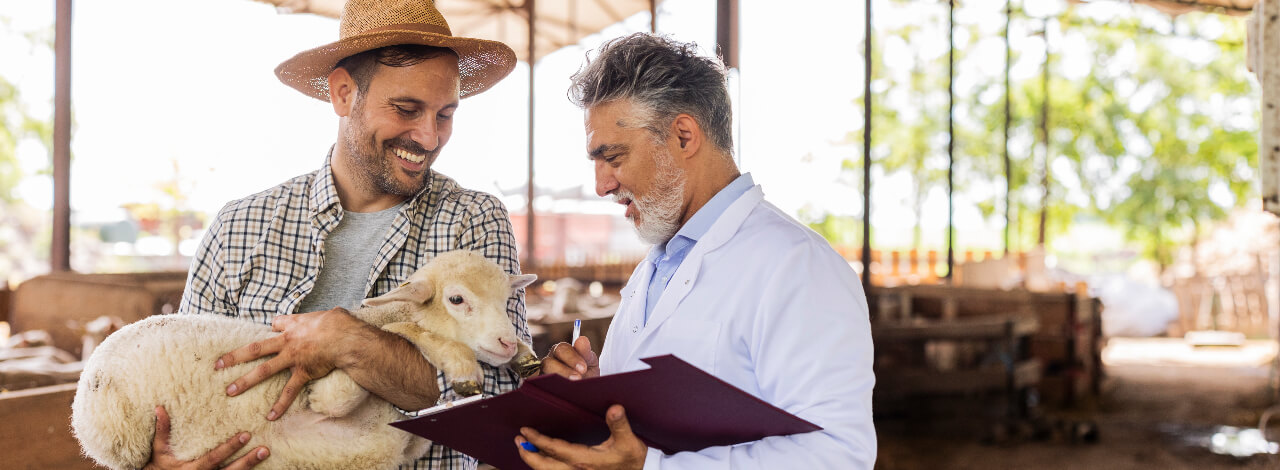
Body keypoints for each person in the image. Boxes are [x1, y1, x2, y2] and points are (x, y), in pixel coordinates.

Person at [151, 0, 529, 469]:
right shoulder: (239, 228)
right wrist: (165, 461)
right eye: (407, 109)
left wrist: (353, 343)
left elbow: (499, 401)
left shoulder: (474, 220)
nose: (430, 138)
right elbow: (173, 379)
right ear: (344, 94)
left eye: (445, 114)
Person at [519, 33, 877, 469]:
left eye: (613, 157)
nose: (602, 185)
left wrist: (649, 468)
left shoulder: (799, 267)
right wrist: (593, 396)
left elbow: (838, 456)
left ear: (684, 137)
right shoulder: (658, 267)